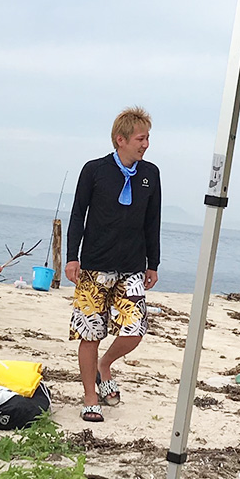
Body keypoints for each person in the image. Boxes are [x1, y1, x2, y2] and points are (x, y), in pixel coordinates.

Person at [65, 106, 161, 422]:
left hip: (132, 267)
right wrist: (72, 256)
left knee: (135, 330)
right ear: (121, 139)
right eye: (140, 138)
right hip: (94, 266)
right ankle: (90, 397)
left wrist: (153, 263)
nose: (146, 144)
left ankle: (104, 365)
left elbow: (153, 221)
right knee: (90, 333)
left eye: (147, 138)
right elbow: (78, 214)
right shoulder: (94, 170)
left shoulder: (151, 174)